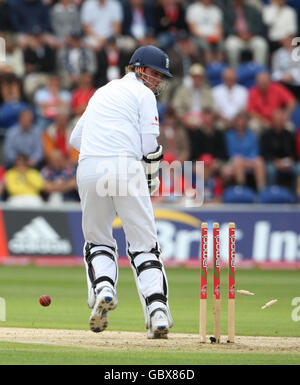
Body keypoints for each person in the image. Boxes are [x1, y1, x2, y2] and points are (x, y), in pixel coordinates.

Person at [69, 45, 174, 338]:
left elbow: (75, 138)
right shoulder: (142, 95)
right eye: (154, 73)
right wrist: (150, 179)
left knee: (98, 240)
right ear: (138, 69)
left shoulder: (102, 92)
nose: (157, 80)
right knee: (144, 245)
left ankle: (103, 287)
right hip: (124, 165)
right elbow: (150, 146)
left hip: (89, 165)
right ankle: (157, 313)